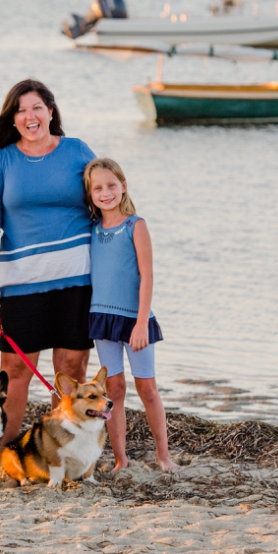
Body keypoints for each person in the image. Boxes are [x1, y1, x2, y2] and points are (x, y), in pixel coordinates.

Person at [0, 79, 96, 443]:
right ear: (13, 119)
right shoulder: (1, 162)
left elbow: (107, 203)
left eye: (37, 108)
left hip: (78, 281)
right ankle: (3, 450)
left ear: (51, 112)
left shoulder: (77, 151)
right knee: (14, 370)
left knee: (71, 369)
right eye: (21, 109)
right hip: (20, 284)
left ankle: (64, 448)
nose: (30, 116)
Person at [83, 157, 177, 473]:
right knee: (114, 391)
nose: (106, 192)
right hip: (102, 318)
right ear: (90, 194)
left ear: (123, 186)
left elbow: (147, 276)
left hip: (136, 320)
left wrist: (140, 323)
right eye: (98, 188)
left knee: (147, 388)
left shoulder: (135, 226)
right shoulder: (92, 230)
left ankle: (164, 457)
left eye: (111, 185)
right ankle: (121, 459)